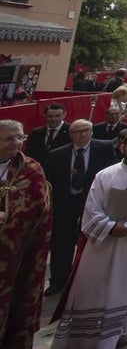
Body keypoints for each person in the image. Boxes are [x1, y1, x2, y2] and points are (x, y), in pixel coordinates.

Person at [50, 129, 127, 349]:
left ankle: (114, 334)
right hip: (101, 241)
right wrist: (111, 227)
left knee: (122, 286)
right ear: (122, 146)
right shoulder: (105, 174)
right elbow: (91, 208)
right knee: (91, 284)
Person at [44, 120, 117, 295]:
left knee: (91, 244)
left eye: (85, 130)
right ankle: (58, 281)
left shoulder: (104, 148)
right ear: (70, 134)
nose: (81, 134)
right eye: (76, 131)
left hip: (93, 203)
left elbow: (112, 176)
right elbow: (50, 181)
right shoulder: (57, 154)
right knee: (61, 244)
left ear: (92, 132)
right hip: (66, 204)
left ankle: (88, 281)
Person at [0, 120, 52, 349]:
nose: (16, 143)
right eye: (9, 138)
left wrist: (11, 218)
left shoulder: (31, 169)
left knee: (14, 305)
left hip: (16, 255)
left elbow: (41, 208)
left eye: (19, 137)